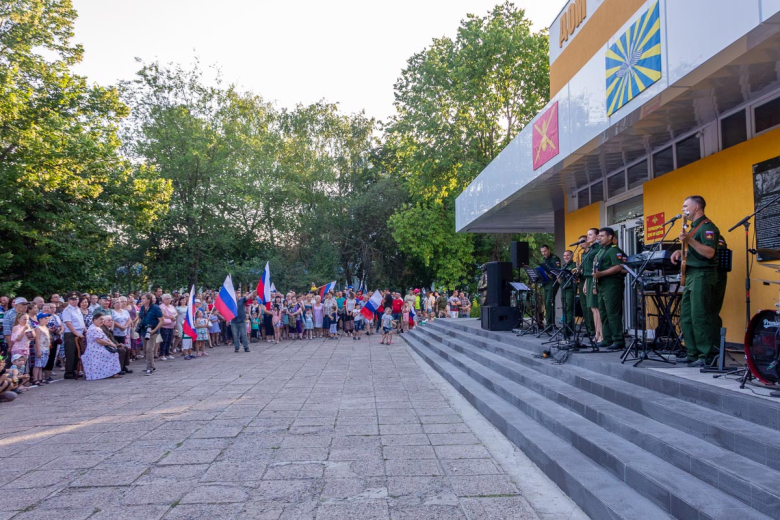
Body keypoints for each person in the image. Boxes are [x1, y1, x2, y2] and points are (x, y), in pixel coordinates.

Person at [670, 196, 721, 366]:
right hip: (691, 274)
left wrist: (689, 240)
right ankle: (692, 352)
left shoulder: (708, 227)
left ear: (696, 207)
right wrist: (680, 252)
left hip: (702, 274)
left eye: (686, 205)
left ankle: (705, 355)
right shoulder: (692, 228)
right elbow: (692, 250)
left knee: (699, 315)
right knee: (686, 315)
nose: (683, 209)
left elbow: (709, 253)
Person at [593, 228, 627, 350]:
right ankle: (607, 339)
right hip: (602, 284)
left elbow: (619, 267)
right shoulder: (601, 250)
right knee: (603, 313)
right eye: (599, 236)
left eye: (602, 236)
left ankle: (618, 340)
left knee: (613, 313)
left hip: (612, 284)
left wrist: (601, 274)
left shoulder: (614, 250)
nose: (599, 238)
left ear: (610, 237)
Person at [578, 230, 601, 342]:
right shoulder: (591, 249)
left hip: (595, 278)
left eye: (590, 235)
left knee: (597, 309)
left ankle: (600, 335)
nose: (587, 237)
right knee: (593, 308)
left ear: (597, 236)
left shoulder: (598, 249)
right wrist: (586, 283)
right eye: (587, 235)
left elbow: (595, 267)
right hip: (589, 279)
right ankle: (597, 334)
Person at [138, 292, 163, 375]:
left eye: (143, 298)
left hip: (152, 331)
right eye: (141, 298)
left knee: (149, 349)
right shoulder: (142, 308)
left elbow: (161, 321)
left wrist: (154, 330)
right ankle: (152, 365)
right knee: (145, 349)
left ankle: (149, 368)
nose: (142, 300)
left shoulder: (155, 308)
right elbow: (140, 317)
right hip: (144, 330)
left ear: (149, 300)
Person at [539, 245, 561, 328]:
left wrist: (549, 273)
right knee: (546, 302)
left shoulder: (554, 258)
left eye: (545, 251)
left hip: (553, 282)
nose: (543, 253)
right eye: (542, 252)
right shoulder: (544, 259)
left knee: (549, 302)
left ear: (549, 250)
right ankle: (549, 323)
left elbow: (557, 271)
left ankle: (550, 324)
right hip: (546, 283)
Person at [560, 250, 577, 336]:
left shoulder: (574, 265)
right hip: (563, 289)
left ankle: (569, 329)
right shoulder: (564, 266)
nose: (566, 257)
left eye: (568, 255)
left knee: (569, 309)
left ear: (572, 256)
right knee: (564, 308)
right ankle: (565, 327)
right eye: (564, 255)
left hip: (570, 289)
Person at [32, 312, 52, 385]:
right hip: (40, 348)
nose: (47, 320)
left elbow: (48, 339)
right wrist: (38, 350)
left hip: (46, 348)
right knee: (37, 364)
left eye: (48, 319)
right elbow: (36, 340)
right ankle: (35, 379)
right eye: (45, 318)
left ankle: (40, 378)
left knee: (41, 365)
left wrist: (49, 349)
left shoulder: (46, 328)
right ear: (40, 319)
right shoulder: (38, 328)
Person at [158, 294, 177, 360]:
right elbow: (163, 314)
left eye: (169, 298)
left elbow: (176, 313)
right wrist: (171, 317)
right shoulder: (162, 306)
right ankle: (162, 354)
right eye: (167, 299)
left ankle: (167, 353)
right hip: (165, 325)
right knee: (164, 340)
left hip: (171, 325)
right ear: (163, 300)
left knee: (169, 340)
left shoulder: (171, 306)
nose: (169, 300)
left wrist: (174, 316)